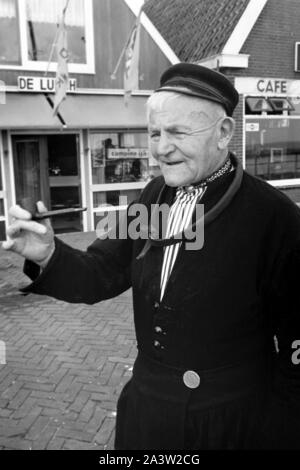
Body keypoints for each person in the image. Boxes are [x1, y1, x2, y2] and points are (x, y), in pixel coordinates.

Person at [3, 63, 300, 450]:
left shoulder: (274, 217)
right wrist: (49, 255)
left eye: (178, 132)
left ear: (224, 133)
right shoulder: (152, 197)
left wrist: (278, 434)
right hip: (148, 415)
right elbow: (101, 272)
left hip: (232, 423)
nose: (161, 148)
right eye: (155, 133)